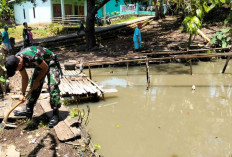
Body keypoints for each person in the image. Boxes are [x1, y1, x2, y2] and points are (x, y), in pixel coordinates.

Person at [4, 46, 62, 128]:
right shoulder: (17, 60)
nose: (16, 71)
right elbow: (24, 78)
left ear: (19, 64)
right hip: (40, 65)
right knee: (33, 86)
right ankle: (29, 110)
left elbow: (45, 67)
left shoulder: (31, 57)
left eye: (15, 70)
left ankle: (56, 113)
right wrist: (23, 94)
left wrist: (37, 80)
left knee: (52, 86)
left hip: (50, 62)